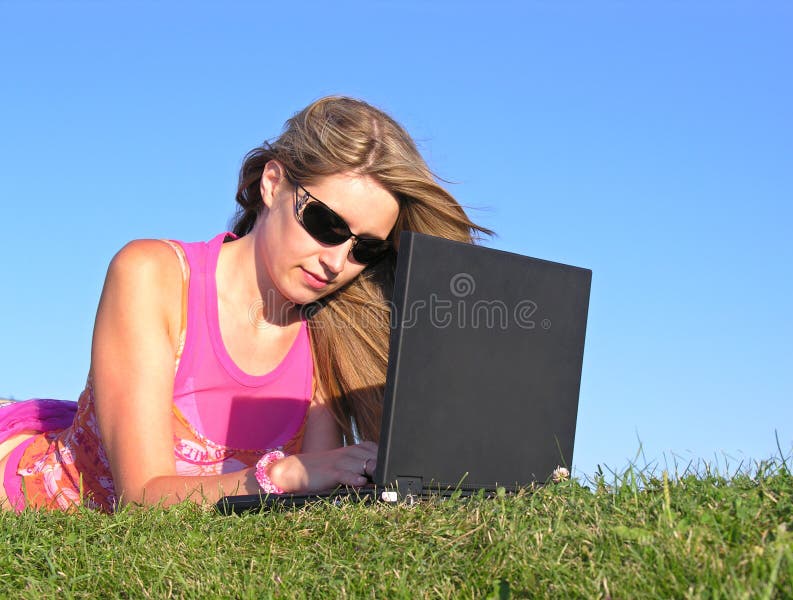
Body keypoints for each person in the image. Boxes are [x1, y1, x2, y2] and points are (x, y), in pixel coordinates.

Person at [0, 96, 489, 512]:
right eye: (327, 225)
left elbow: (305, 510)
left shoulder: (331, 334)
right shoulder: (153, 275)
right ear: (272, 184)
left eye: (366, 248)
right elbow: (143, 498)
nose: (338, 261)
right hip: (41, 499)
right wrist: (290, 473)